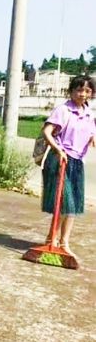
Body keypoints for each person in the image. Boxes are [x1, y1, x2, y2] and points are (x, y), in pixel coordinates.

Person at [40, 75, 95, 255]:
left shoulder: (89, 113)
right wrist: (58, 149)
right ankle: (51, 240)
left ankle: (63, 243)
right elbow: (47, 132)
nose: (83, 94)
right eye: (79, 90)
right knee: (65, 203)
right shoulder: (63, 110)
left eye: (87, 91)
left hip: (77, 162)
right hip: (61, 159)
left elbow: (90, 133)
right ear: (71, 91)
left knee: (73, 206)